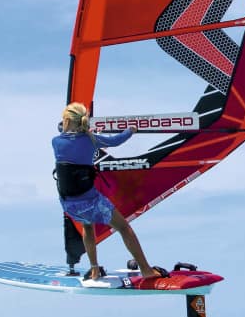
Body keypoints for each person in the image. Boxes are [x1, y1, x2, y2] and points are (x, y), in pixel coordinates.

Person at [52, 102, 167, 281]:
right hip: (91, 201)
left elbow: (65, 134)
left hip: (69, 204)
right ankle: (146, 270)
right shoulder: (91, 139)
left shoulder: (56, 142)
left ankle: (95, 269)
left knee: (88, 227)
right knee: (124, 228)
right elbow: (116, 141)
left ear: (66, 121)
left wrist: (68, 127)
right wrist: (131, 130)